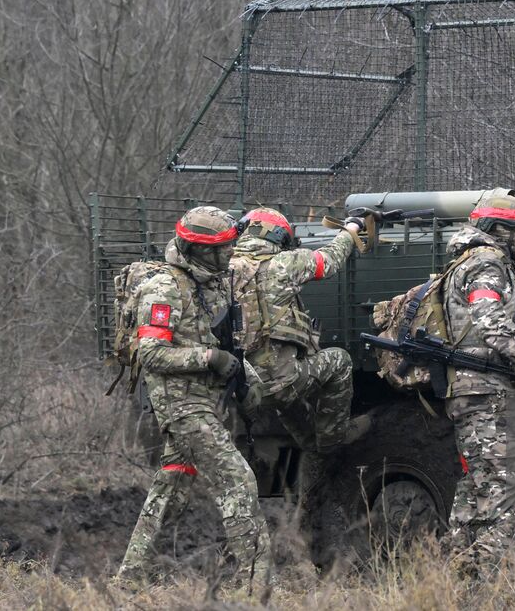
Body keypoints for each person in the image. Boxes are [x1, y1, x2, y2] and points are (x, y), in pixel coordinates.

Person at [116, 206, 273, 595]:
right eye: (222, 249)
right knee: (237, 480)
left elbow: (219, 341)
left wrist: (244, 375)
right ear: (200, 250)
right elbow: (151, 353)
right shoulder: (163, 288)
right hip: (181, 405)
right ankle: (256, 588)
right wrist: (208, 359)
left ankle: (130, 580)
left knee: (171, 488)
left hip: (203, 399)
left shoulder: (213, 282)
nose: (229, 255)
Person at [440, 191, 515, 572]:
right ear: (498, 229)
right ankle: (476, 576)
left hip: (485, 393)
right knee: (507, 487)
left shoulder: (502, 265)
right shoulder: (486, 264)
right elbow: (488, 319)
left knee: (479, 490)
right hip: (487, 392)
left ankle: (453, 575)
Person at [229, 208, 372, 463]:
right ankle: (331, 441)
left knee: (283, 388)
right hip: (281, 384)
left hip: (240, 389)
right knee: (339, 361)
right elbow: (329, 259)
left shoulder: (222, 271)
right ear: (278, 237)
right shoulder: (285, 264)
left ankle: (309, 443)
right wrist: (350, 231)